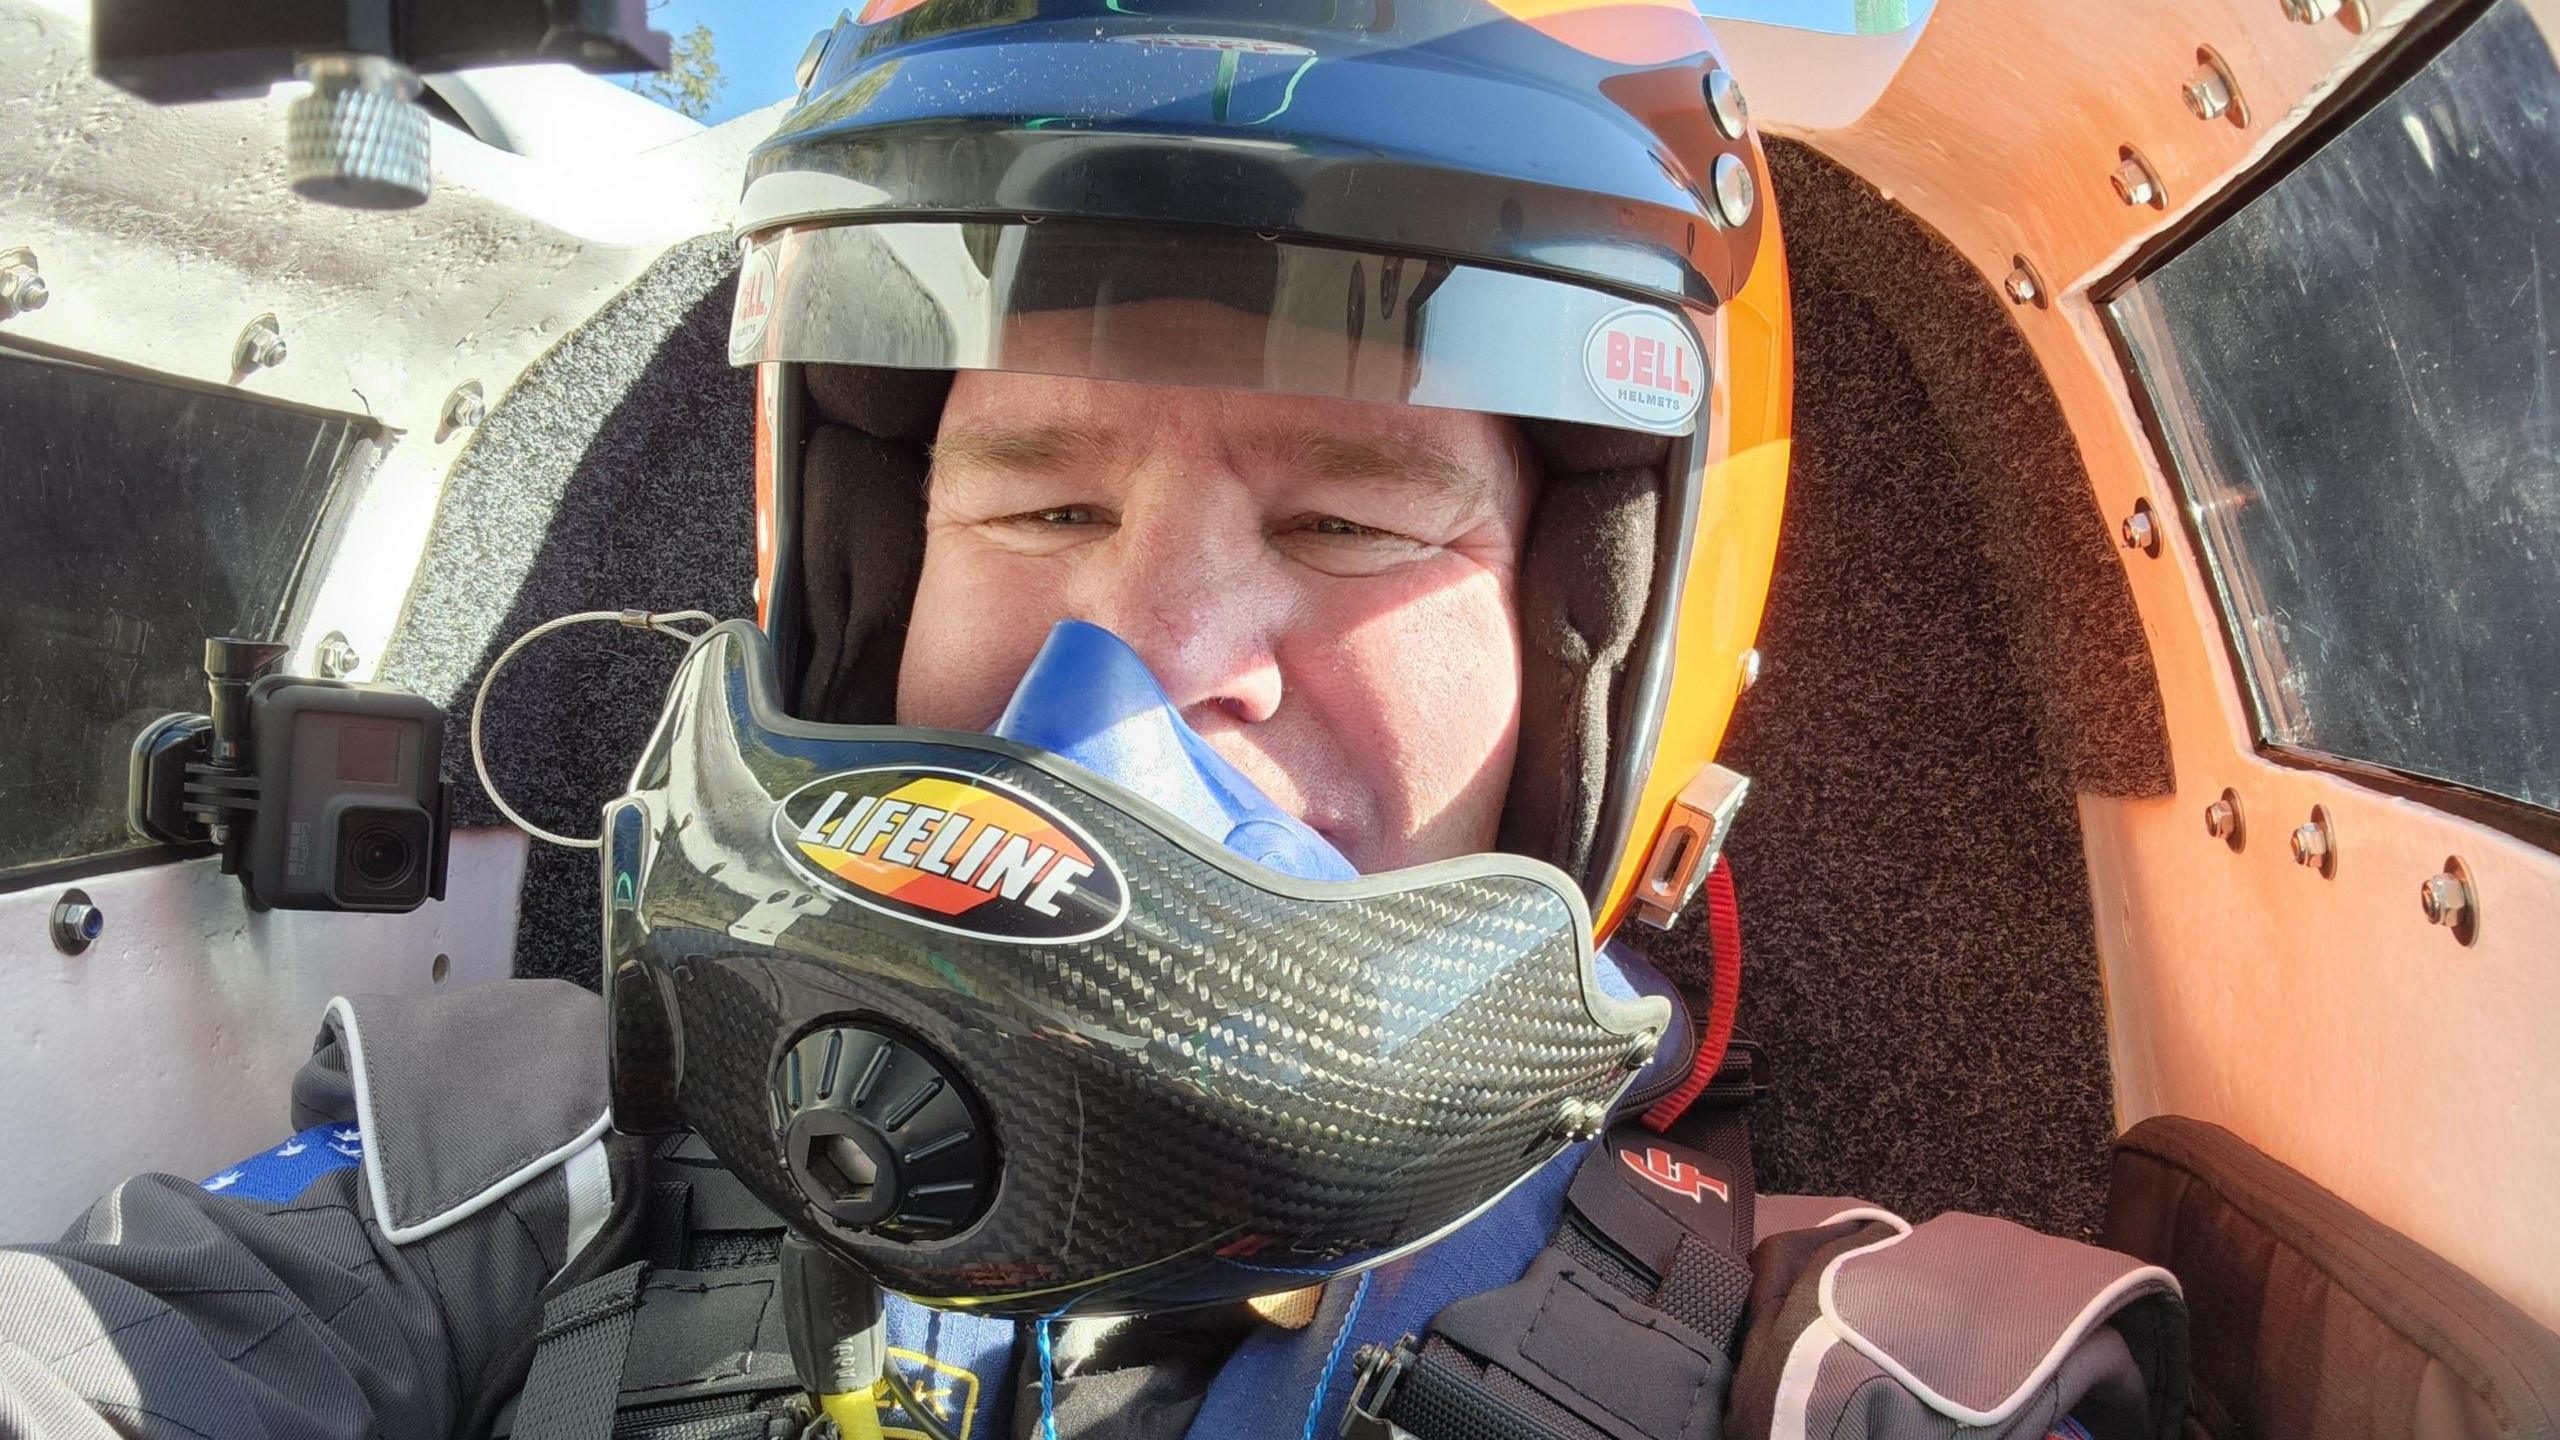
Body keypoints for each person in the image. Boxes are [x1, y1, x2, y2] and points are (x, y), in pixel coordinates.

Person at [1, 5, 2187, 1440]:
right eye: (1038, 497)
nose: (1137, 651)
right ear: (853, 576)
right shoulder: (483, 1172)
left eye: (1344, 518)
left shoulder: (1884, 1377)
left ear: (1598, 656)